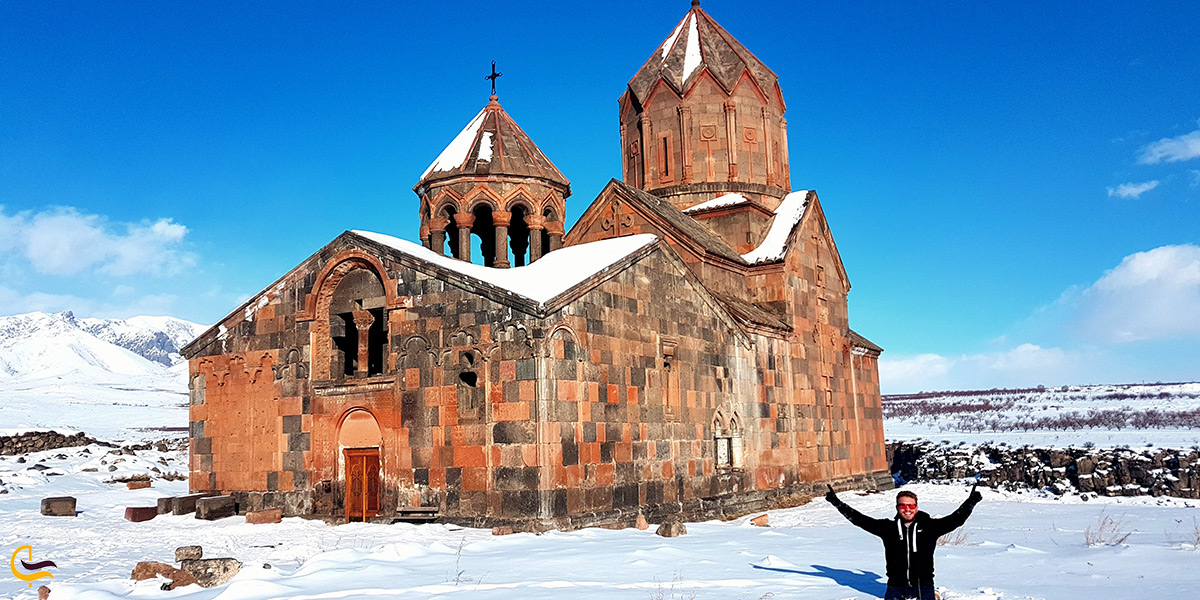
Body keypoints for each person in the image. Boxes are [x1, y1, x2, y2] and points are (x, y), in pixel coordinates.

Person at [824, 483, 982, 600]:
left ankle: (934, 595)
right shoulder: (888, 528)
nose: (907, 509)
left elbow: (956, 520)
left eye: (911, 505)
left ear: (916, 507)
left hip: (923, 585)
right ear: (897, 508)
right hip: (895, 586)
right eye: (903, 505)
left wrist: (971, 502)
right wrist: (838, 503)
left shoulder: (930, 527)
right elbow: (860, 520)